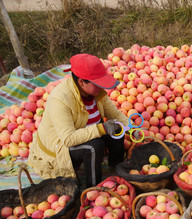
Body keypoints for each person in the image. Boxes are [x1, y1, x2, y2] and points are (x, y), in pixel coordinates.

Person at [28, 53, 129, 188]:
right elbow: (68, 139)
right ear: (81, 82)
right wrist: (102, 128)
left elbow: (115, 114)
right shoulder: (60, 99)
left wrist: (132, 129)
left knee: (118, 131)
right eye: (97, 83)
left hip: (85, 131)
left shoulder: (96, 92)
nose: (101, 87)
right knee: (94, 147)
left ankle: (116, 170)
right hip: (60, 146)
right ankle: (93, 189)